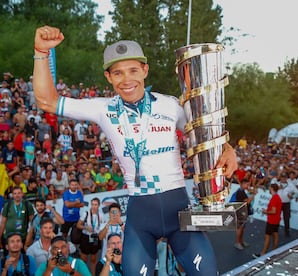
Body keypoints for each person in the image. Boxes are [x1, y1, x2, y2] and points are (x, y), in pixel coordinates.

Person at [33, 27, 237, 275]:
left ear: (145, 70)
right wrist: (41, 51)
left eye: (133, 70)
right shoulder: (102, 109)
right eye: (118, 73)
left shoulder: (170, 105)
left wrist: (227, 148)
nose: (126, 80)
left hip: (180, 212)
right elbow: (47, 100)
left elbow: (204, 136)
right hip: (141, 219)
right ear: (108, 77)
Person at [0, 186, 35, 253]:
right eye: (15, 193)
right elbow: (2, 223)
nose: (17, 195)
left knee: (21, 258)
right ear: (12, 195)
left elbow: (33, 223)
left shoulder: (27, 205)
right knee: (7, 258)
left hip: (22, 237)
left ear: (22, 194)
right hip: (8, 237)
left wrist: (30, 239)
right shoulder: (8, 205)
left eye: (19, 193)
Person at [253, 184, 283, 258]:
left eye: (269, 188)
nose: (269, 190)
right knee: (275, 234)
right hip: (276, 220)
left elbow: (273, 211)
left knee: (267, 236)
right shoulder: (278, 197)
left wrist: (265, 212)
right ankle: (274, 251)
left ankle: (263, 253)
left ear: (272, 189)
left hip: (272, 220)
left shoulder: (274, 198)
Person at [77, 197, 104, 275]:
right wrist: (85, 227)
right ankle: (83, 273)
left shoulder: (101, 215)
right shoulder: (86, 213)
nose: (93, 206)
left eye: (95, 205)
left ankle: (92, 274)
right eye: (92, 204)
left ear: (99, 205)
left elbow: (103, 227)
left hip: (95, 238)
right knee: (83, 259)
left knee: (93, 259)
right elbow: (78, 225)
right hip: (86, 237)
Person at [61, 179, 85, 244]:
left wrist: (71, 204)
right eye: (72, 185)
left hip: (76, 217)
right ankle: (63, 245)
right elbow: (67, 205)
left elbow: (82, 204)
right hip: (66, 218)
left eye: (75, 185)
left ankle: (75, 249)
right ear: (69, 185)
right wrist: (77, 202)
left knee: (76, 236)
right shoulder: (66, 193)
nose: (74, 186)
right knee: (64, 234)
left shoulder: (79, 193)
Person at [233, 179, 255, 250]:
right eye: (247, 184)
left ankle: (241, 241)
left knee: (242, 228)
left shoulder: (242, 191)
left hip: (244, 212)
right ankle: (237, 242)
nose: (248, 186)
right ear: (242, 184)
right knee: (240, 228)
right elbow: (247, 201)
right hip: (241, 212)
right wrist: (252, 196)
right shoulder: (240, 192)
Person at [277, 172, 298, 237]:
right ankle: (275, 230)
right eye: (282, 177)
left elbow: (297, 192)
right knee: (277, 217)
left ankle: (287, 231)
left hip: (287, 203)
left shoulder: (290, 185)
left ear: (287, 178)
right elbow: (271, 191)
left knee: (286, 218)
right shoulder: (277, 184)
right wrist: (277, 188)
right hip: (278, 203)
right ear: (280, 178)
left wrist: (292, 196)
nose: (283, 178)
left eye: (285, 177)